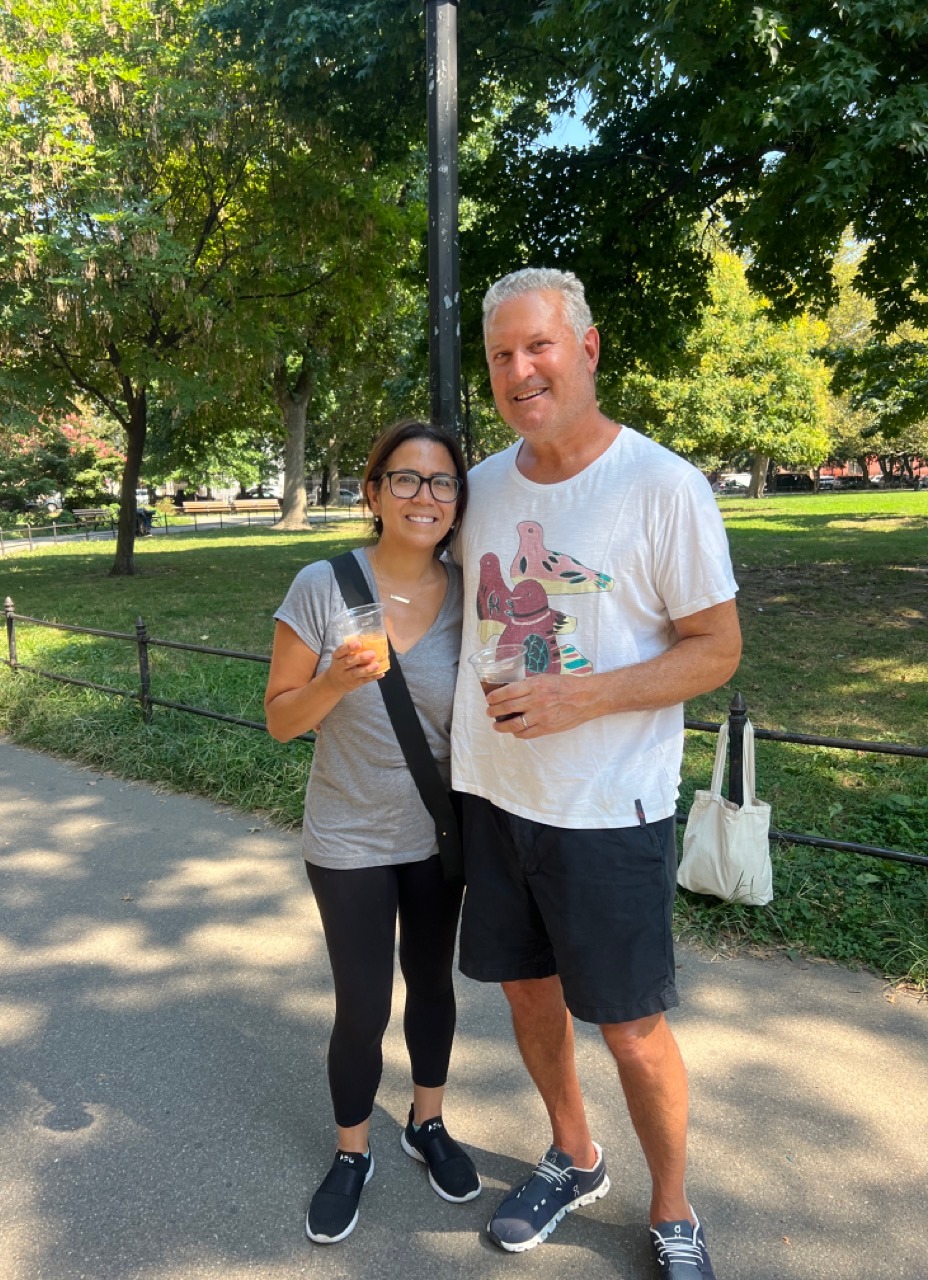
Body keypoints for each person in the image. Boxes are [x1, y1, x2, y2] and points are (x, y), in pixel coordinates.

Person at [450, 268, 742, 1279]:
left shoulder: (663, 484)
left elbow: (717, 646)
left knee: (631, 1026)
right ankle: (574, 1153)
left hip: (607, 806)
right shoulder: (477, 485)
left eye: (538, 345)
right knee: (528, 999)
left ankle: (673, 1209)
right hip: (493, 793)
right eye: (500, 354)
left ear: (588, 347)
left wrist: (585, 696)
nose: (520, 369)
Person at [264, 420, 480, 1245]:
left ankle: (427, 1122)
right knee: (363, 1003)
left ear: (458, 502)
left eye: (442, 483)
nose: (425, 497)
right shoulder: (323, 585)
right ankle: (353, 1152)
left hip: (436, 833)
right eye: (407, 480)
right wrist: (330, 681)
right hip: (348, 834)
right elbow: (282, 720)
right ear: (373, 492)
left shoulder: (470, 592)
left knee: (432, 986)